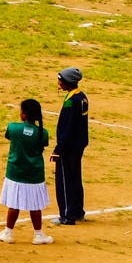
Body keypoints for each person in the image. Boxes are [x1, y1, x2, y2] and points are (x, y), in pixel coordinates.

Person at [0, 97, 54, 244]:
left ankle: (8, 232)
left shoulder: (13, 127)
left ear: (24, 114)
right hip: (34, 174)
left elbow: (9, 136)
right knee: (36, 205)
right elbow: (42, 143)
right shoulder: (42, 133)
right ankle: (38, 235)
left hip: (15, 172)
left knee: (13, 204)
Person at [53, 68, 89, 225]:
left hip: (68, 147)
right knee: (75, 178)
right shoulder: (82, 97)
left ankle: (67, 216)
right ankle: (78, 211)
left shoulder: (70, 102)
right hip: (78, 145)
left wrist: (58, 149)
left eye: (60, 80)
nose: (59, 82)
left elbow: (67, 128)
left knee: (65, 181)